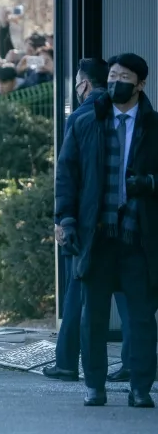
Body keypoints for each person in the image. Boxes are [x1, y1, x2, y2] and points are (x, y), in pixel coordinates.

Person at [55, 52, 158, 407]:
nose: (116, 82)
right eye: (112, 75)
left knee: (143, 317)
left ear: (140, 84)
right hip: (96, 235)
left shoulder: (153, 127)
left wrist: (149, 182)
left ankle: (140, 388)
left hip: (138, 238)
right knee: (93, 315)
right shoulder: (87, 122)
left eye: (124, 76)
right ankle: (94, 385)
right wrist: (64, 219)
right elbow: (67, 174)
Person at [45, 58, 131, 382]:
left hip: (86, 222)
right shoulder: (124, 116)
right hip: (123, 221)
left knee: (78, 293)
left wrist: (64, 219)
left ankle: (67, 362)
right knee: (126, 296)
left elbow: (69, 174)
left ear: (83, 85)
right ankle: (133, 362)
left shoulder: (80, 118)